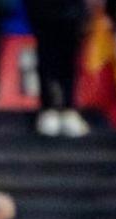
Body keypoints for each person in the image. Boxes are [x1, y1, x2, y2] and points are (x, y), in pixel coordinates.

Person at [28, 0, 90, 137]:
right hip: (43, 10)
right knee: (46, 54)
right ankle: (48, 108)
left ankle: (69, 107)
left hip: (72, 9)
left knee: (70, 57)